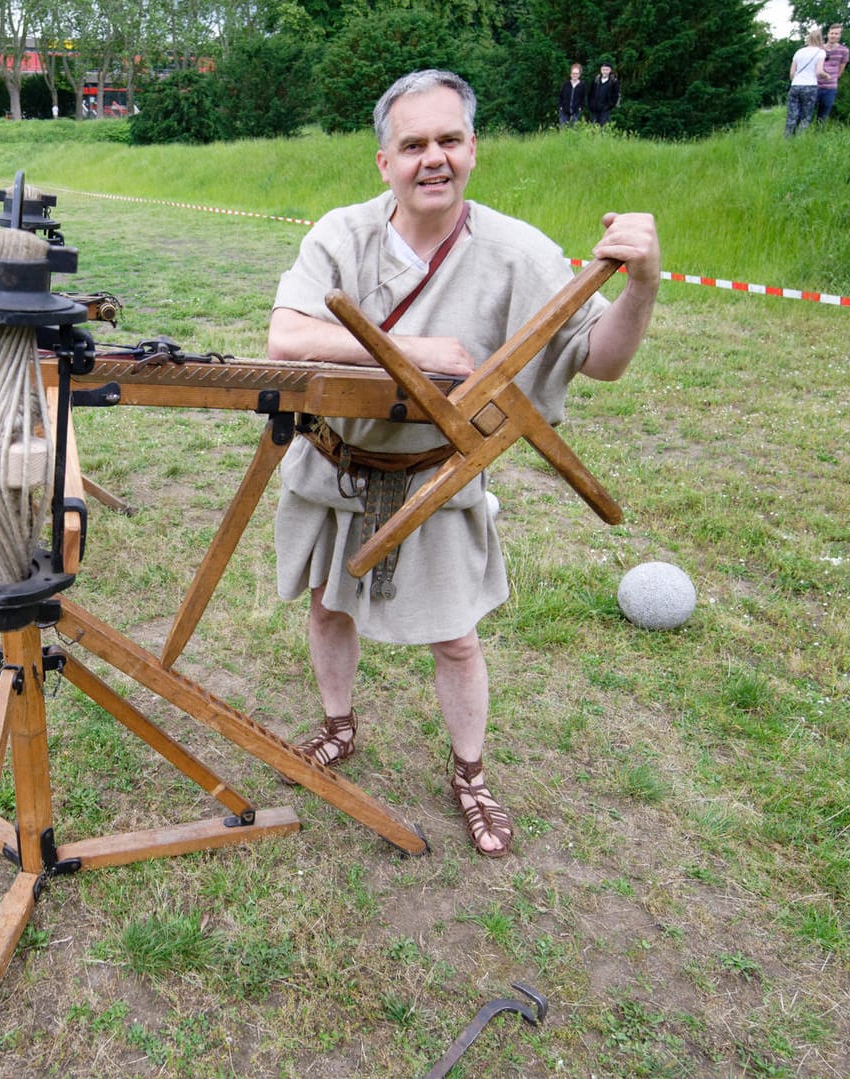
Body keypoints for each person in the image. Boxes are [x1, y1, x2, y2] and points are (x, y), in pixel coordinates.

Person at [267, 69, 659, 857]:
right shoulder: (340, 235)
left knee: (456, 637)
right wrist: (417, 353)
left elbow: (601, 358)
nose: (433, 159)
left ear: (473, 148)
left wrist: (643, 283)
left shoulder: (519, 252)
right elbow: (288, 337)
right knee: (326, 605)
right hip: (336, 463)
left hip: (435, 478)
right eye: (413, 144)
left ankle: (470, 773)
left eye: (449, 140)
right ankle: (339, 726)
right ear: (385, 162)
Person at [786, 27, 826, 136]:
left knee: (792, 115)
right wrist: (827, 76)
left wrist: (795, 81)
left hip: (795, 86)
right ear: (820, 39)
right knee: (806, 116)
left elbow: (791, 73)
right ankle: (799, 139)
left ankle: (788, 139)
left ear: (809, 39)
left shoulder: (799, 52)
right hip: (810, 86)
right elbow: (819, 72)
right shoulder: (821, 52)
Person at [816, 24, 850, 125]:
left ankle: (818, 135)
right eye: (831, 33)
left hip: (830, 87)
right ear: (828, 34)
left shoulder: (844, 50)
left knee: (823, 115)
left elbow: (841, 68)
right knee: (807, 111)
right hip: (815, 84)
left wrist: (833, 78)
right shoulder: (819, 49)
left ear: (840, 35)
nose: (833, 36)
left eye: (836, 34)